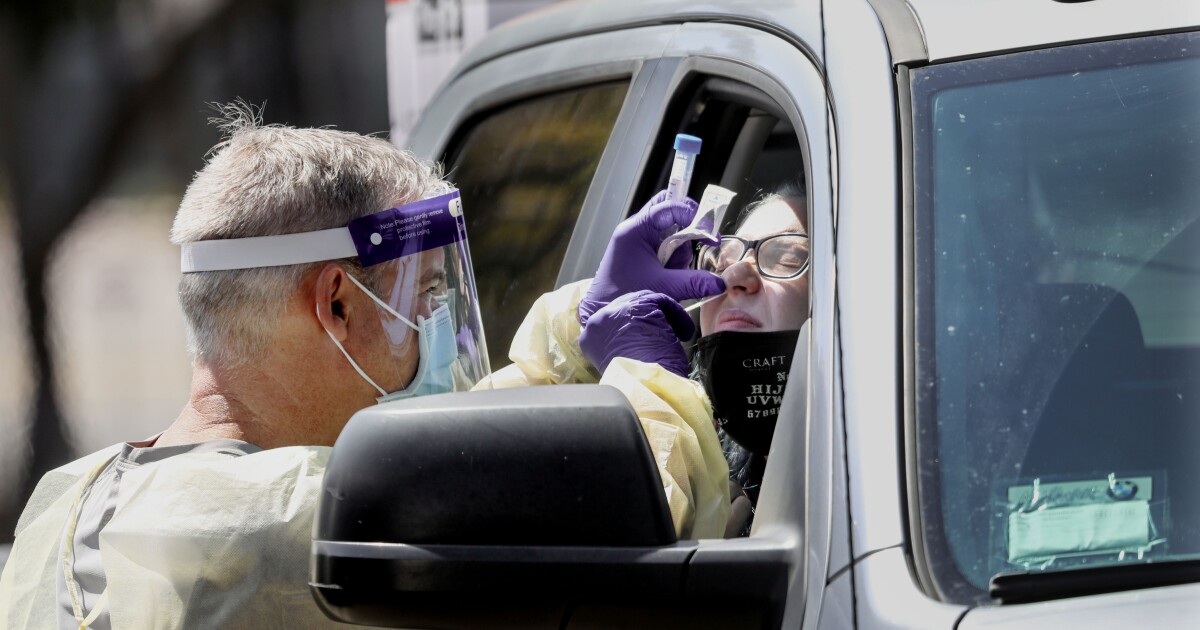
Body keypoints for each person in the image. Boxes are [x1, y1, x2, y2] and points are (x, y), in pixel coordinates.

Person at [0, 103, 489, 628]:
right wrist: (558, 353)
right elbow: (478, 494)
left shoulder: (63, 507)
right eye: (427, 289)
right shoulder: (296, 523)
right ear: (337, 304)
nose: (439, 324)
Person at [484, 184, 808, 539]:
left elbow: (631, 549)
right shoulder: (713, 437)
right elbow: (486, 460)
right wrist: (580, 337)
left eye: (786, 257)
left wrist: (653, 394)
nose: (733, 277)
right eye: (724, 260)